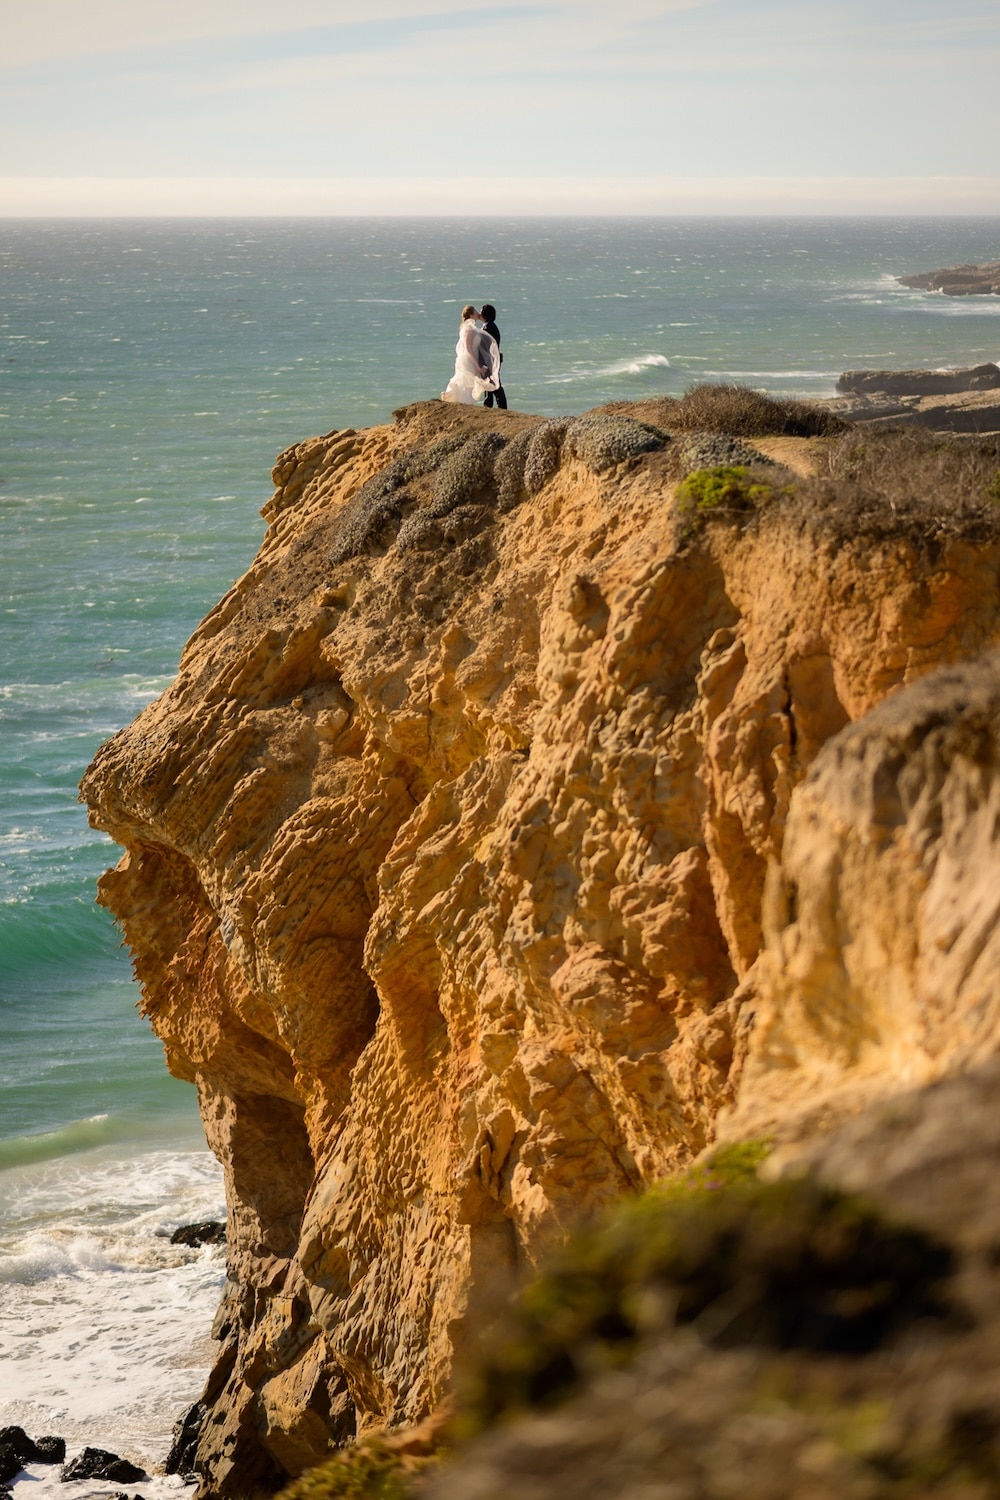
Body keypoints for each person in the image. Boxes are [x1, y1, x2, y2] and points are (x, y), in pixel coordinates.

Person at [441, 305, 501, 405]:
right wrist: (478, 367)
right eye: (475, 311)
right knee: (465, 385)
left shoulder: (472, 328)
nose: (478, 313)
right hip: (469, 361)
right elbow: (468, 350)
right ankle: (464, 403)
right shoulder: (468, 329)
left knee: (469, 386)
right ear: (471, 315)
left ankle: (466, 403)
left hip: (473, 360)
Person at [479, 304, 508, 410]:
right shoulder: (491, 326)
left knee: (494, 384)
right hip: (492, 359)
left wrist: (485, 364)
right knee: (489, 383)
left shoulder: (488, 328)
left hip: (490, 360)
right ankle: (489, 405)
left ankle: (500, 406)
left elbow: (487, 348)